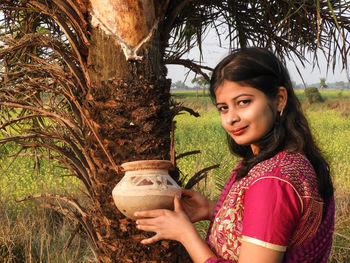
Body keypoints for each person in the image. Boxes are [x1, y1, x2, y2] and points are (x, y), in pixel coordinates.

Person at [134, 47, 335, 263]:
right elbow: (278, 225)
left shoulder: (273, 179)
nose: (231, 118)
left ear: (279, 99)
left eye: (243, 102)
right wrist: (212, 210)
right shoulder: (292, 160)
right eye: (223, 108)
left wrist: (185, 234)